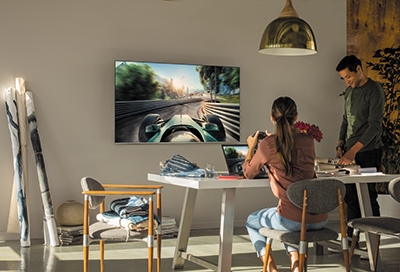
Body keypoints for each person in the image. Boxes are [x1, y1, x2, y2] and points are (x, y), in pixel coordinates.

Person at [243, 96, 327, 272]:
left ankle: (271, 268)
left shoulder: (267, 144)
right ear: (296, 116)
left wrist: (252, 147)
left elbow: (249, 173)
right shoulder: (308, 141)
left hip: (291, 220)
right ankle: (295, 267)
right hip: (318, 218)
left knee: (252, 221)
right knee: (294, 219)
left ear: (272, 118)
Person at [335, 55, 385, 243]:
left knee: (369, 197)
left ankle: (373, 243)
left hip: (369, 152)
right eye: (344, 78)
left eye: (349, 76)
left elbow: (374, 126)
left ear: (358, 69)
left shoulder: (374, 91)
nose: (347, 81)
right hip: (349, 152)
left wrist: (353, 151)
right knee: (351, 198)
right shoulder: (349, 92)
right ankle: (351, 240)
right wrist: (341, 144)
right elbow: (346, 120)